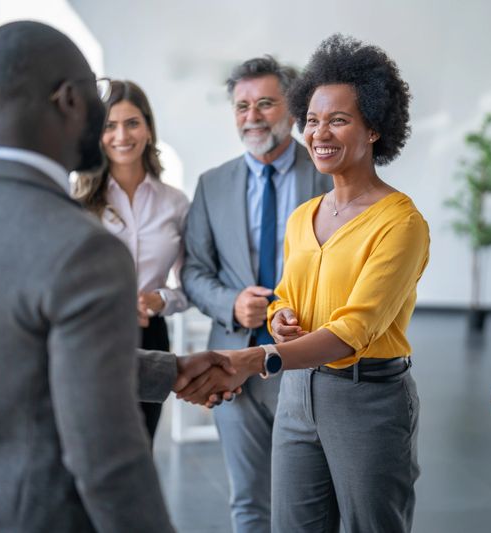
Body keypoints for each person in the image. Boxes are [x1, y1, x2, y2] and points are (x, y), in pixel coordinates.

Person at [0, 21, 235, 533]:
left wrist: (172, 370)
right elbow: (107, 455)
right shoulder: (84, 248)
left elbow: (25, 360)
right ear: (69, 100)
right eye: (95, 89)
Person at [180, 34, 430, 533]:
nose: (319, 133)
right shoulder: (304, 216)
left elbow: (353, 330)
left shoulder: (400, 222)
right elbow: (287, 297)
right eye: (313, 120)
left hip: (366, 399)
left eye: (338, 119)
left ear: (375, 128)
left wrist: (254, 358)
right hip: (297, 392)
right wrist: (281, 317)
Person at [181, 55, 332, 532]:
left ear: (292, 108)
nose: (252, 116)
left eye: (266, 103)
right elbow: (193, 271)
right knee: (249, 503)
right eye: (242, 106)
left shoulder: (329, 176)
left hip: (311, 361)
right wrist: (230, 303)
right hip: (237, 365)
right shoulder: (212, 185)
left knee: (313, 504)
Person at [75, 79, 190, 441]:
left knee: (139, 448)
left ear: (149, 129)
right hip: (89, 334)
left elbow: (192, 284)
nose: (121, 135)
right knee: (90, 449)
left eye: (132, 123)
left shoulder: (175, 203)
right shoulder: (75, 201)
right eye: (109, 125)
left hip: (150, 335)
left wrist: (162, 299)